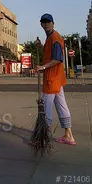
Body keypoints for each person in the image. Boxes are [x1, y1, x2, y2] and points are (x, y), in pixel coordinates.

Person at [36, 13, 76, 146]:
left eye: (48, 22)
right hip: (57, 79)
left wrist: (42, 67)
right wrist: (41, 47)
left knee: (46, 108)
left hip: (51, 79)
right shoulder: (50, 38)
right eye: (43, 22)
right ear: (41, 24)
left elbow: (58, 58)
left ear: (53, 23)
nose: (46, 24)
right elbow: (51, 55)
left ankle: (44, 137)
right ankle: (68, 135)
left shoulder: (55, 37)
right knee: (61, 106)